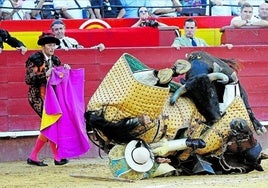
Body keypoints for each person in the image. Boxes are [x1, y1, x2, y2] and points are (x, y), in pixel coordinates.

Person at [25, 32, 69, 166]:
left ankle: (38, 157)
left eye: (54, 45)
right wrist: (45, 74)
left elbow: (59, 78)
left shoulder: (55, 60)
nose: (52, 48)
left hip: (51, 97)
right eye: (50, 45)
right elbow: (28, 79)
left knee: (50, 124)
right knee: (50, 123)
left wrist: (65, 70)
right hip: (37, 96)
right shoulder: (34, 59)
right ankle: (55, 157)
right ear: (43, 46)